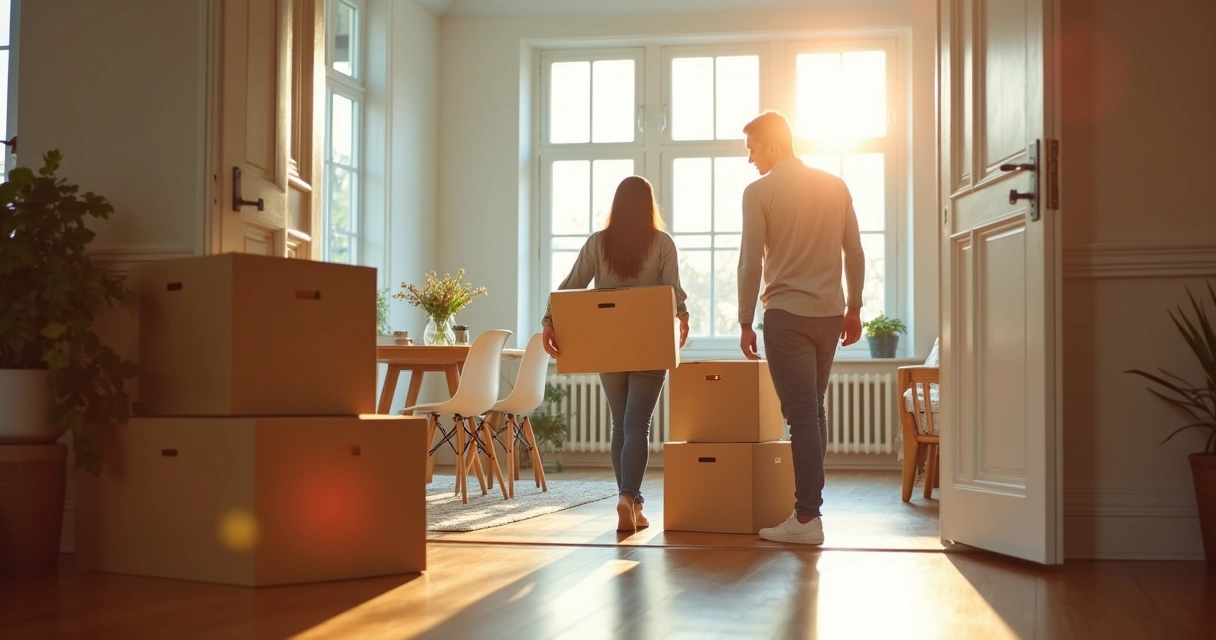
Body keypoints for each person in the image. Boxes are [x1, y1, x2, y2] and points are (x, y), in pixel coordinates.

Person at [736, 110, 864, 545]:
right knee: (813, 411)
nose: (750, 159)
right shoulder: (835, 185)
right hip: (830, 315)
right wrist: (855, 307)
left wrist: (744, 321)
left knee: (803, 416)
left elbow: (750, 261)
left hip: (787, 316)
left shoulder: (759, 192)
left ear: (773, 145)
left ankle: (807, 518)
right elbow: (856, 253)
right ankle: (808, 512)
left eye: (752, 150)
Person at [542, 175, 690, 533]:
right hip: (649, 340)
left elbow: (569, 288)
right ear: (648, 206)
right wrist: (683, 318)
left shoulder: (598, 243)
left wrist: (549, 322)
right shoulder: (662, 243)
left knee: (619, 423)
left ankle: (631, 502)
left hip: (607, 341)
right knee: (638, 423)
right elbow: (673, 293)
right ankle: (629, 497)